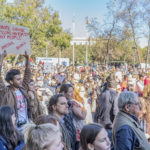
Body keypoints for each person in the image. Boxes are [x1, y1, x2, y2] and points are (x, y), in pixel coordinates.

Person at [0, 50, 32, 129]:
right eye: (18, 79)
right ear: (11, 82)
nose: (21, 80)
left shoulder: (22, 89)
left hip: (26, 126)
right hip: (14, 128)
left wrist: (27, 58)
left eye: (20, 78)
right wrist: (2, 57)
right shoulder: (6, 92)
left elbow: (27, 74)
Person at [60, 84, 86, 150]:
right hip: (73, 133)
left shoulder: (70, 102)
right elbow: (82, 116)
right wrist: (84, 109)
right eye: (70, 92)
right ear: (63, 92)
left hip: (72, 133)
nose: (72, 94)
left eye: (72, 91)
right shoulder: (72, 103)